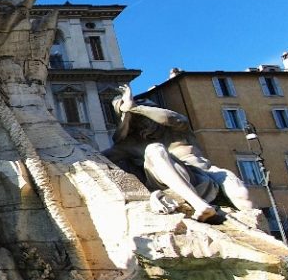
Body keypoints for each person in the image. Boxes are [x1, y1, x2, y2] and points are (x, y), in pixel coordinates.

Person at [103, 86, 255, 222]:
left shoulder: (176, 129)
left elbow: (172, 118)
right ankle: (199, 205)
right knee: (154, 149)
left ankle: (254, 227)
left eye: (146, 118)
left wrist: (136, 108)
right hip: (167, 183)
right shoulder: (130, 144)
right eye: (137, 121)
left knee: (242, 194)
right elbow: (100, 160)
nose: (144, 123)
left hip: (205, 175)